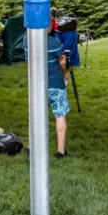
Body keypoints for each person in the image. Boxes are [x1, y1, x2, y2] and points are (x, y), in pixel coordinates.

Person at [24, 22, 70, 159]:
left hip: (36, 85)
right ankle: (60, 152)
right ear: (49, 28)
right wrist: (65, 72)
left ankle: (30, 147)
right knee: (60, 115)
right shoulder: (55, 43)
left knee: (35, 116)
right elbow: (61, 62)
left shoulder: (26, 39)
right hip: (55, 83)